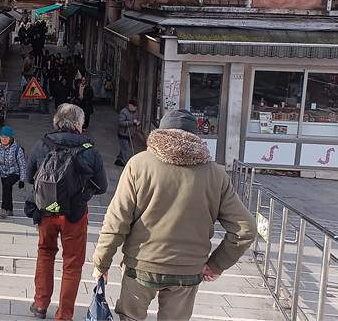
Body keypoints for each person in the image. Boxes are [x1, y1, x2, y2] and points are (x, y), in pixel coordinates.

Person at [93, 110, 255, 321]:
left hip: (142, 266)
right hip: (188, 272)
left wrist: (101, 263)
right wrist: (216, 264)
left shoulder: (139, 164)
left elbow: (116, 222)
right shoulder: (216, 174)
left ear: (160, 132)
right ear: (197, 138)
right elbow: (246, 228)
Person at [27, 104, 108, 320]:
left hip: (46, 212)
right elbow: (102, 186)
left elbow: (28, 177)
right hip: (75, 215)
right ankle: (64, 314)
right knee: (72, 263)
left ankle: (40, 304)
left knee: (45, 253)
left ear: (57, 121)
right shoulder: (90, 150)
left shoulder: (42, 144)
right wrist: (82, 195)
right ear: (79, 124)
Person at [0, 126, 28, 218]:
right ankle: (10, 210)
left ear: (11, 138)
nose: (4, 139)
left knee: (6, 186)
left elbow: (22, 165)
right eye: (2, 137)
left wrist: (22, 180)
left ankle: (4, 208)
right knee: (7, 190)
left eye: (6, 138)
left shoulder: (17, 150)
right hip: (3, 173)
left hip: (15, 173)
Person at [116, 100, 139, 167]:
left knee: (124, 148)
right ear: (130, 106)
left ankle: (119, 160)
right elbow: (121, 122)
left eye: (136, 107)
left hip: (130, 133)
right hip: (123, 133)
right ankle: (127, 164)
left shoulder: (135, 112)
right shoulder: (124, 112)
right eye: (134, 107)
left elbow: (136, 119)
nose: (135, 109)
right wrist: (132, 122)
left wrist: (137, 123)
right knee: (126, 149)